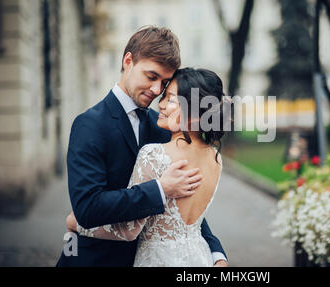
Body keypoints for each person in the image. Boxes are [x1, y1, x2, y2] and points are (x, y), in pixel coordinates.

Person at [56, 26, 227, 267]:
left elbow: (180, 205)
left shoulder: (161, 128)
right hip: (97, 260)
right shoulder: (89, 125)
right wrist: (160, 189)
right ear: (128, 61)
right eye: (151, 76)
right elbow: (87, 207)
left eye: (165, 83)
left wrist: (215, 251)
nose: (157, 90)